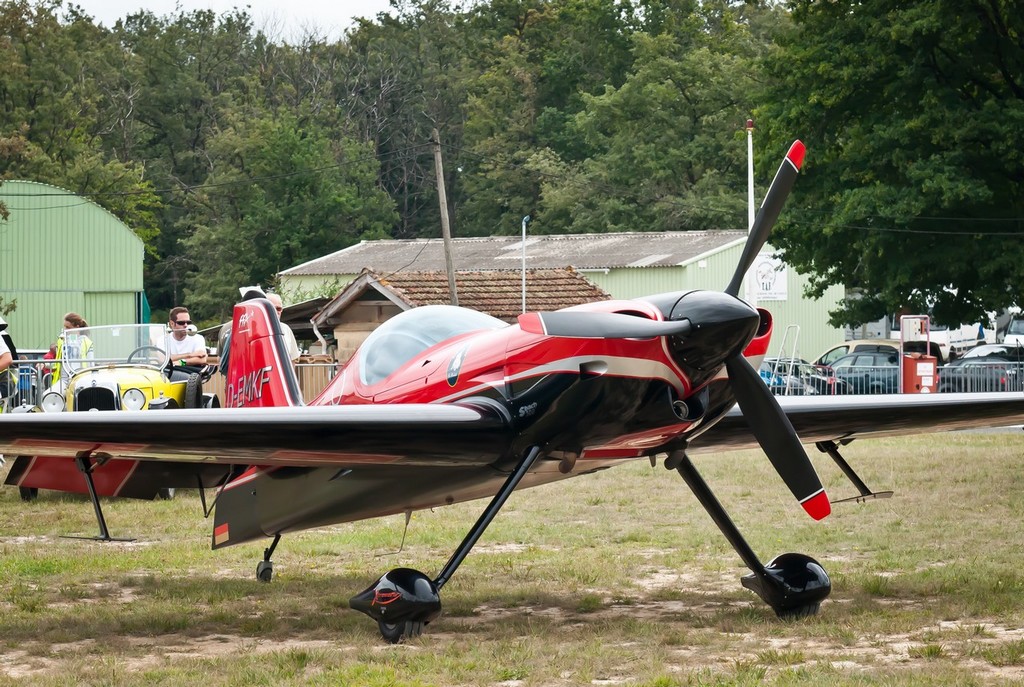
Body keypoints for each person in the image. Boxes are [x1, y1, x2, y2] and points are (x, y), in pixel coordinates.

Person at [52, 312, 93, 390]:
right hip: (64, 381)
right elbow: (58, 362)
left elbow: (91, 364)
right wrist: (45, 364)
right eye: (64, 327)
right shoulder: (62, 341)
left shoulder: (86, 341)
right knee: (48, 395)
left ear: (77, 327)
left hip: (82, 378)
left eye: (68, 328)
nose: (65, 330)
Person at [267, 293, 301, 364]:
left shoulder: (286, 329)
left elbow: (292, 359)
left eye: (278, 309)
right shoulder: (255, 329)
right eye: (272, 308)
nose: (276, 312)